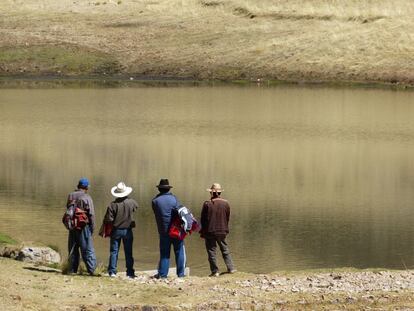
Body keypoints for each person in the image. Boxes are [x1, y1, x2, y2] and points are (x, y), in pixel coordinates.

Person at [103, 181, 138, 278]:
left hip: (116, 230)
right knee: (128, 252)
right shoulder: (131, 202)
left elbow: (108, 219)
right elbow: (136, 206)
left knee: (114, 251)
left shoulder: (112, 205)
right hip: (128, 230)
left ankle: (112, 272)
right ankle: (130, 272)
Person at [152, 178, 186, 278]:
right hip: (175, 230)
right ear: (168, 189)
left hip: (163, 231)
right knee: (179, 251)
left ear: (159, 189)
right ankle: (181, 274)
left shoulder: (155, 201)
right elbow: (180, 211)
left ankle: (162, 275)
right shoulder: (174, 199)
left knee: (164, 253)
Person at [200, 183, 235, 277]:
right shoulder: (226, 203)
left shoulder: (207, 204)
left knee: (212, 251)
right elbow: (227, 217)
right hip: (222, 230)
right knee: (225, 249)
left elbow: (203, 220)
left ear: (211, 193)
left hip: (210, 231)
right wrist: (225, 229)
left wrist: (202, 232)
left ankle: (215, 271)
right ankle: (231, 268)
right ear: (220, 193)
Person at [66, 177, 97, 275]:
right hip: (84, 226)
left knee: (73, 248)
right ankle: (91, 270)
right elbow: (91, 214)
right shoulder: (87, 197)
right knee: (87, 249)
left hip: (72, 226)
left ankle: (72, 269)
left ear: (78, 186)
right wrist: (92, 228)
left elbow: (68, 209)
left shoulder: (70, 195)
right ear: (86, 187)